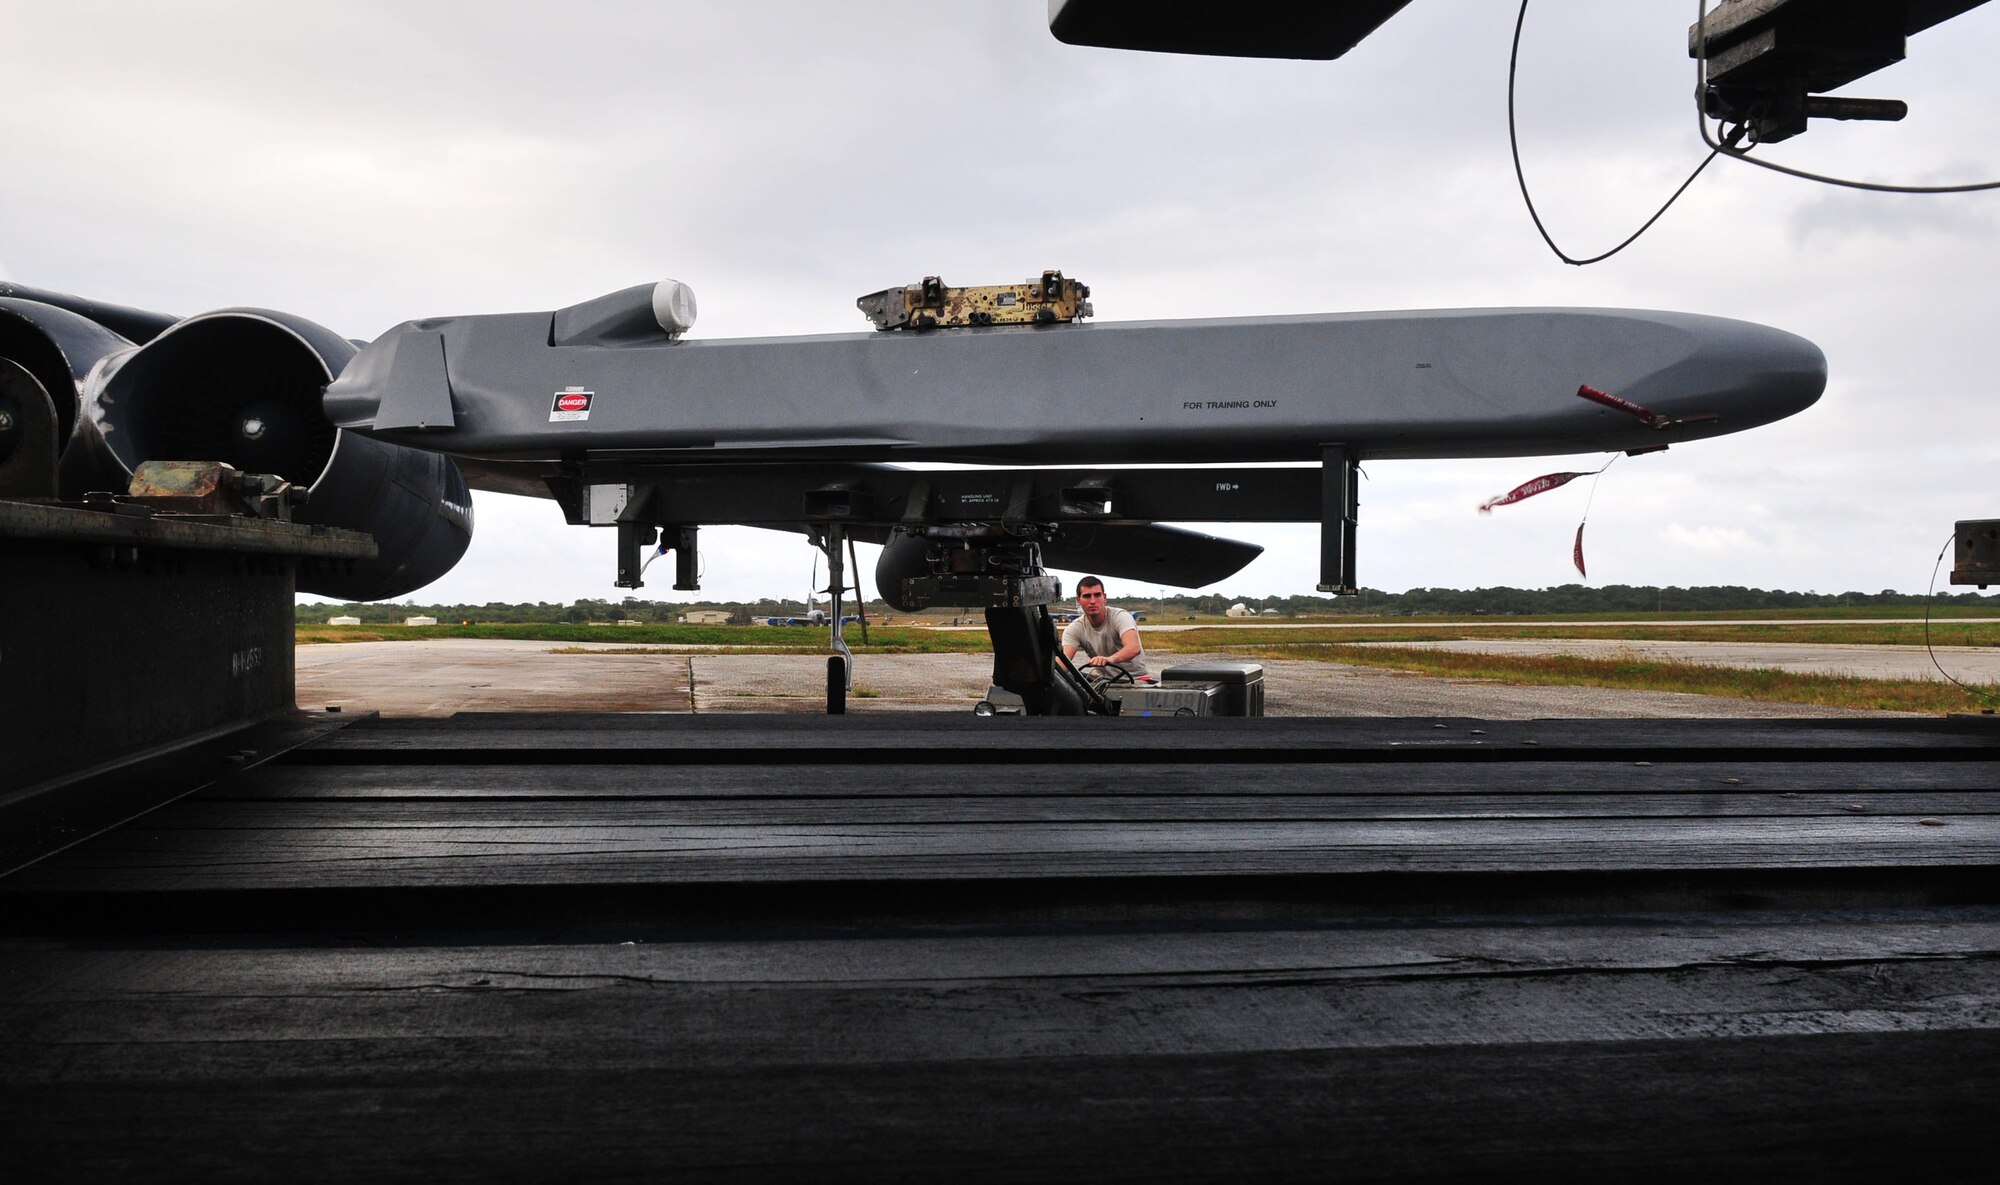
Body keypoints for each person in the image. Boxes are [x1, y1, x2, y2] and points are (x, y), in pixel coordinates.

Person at [1060, 576, 1151, 681]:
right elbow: (1064, 662)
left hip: (1137, 680)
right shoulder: (1075, 629)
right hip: (1103, 682)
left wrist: (1109, 659)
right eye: (1087, 596)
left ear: (1105, 598)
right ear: (1078, 600)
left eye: (1097, 595)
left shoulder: (1120, 616)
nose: (1093, 601)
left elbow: (1133, 648)